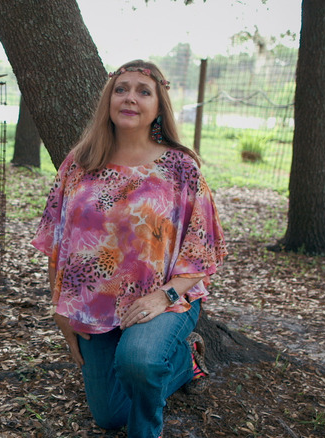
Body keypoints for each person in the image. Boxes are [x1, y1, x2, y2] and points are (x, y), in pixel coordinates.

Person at [31, 60, 227, 438]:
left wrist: (163, 296)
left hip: (165, 298)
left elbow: (202, 250)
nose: (130, 98)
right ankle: (185, 365)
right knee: (108, 415)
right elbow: (57, 239)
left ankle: (147, 424)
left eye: (143, 91)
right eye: (121, 89)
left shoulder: (180, 167)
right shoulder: (81, 162)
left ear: (158, 106)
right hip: (94, 303)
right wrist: (59, 308)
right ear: (108, 100)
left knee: (138, 361)